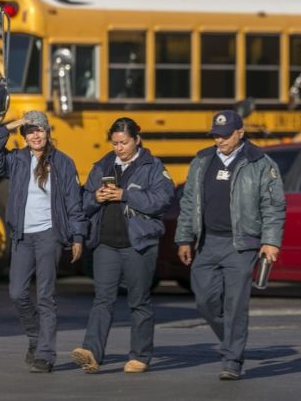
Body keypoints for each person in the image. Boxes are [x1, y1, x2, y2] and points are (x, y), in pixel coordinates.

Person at [175, 110, 286, 380]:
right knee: (205, 302)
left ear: (240, 133)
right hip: (207, 242)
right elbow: (189, 202)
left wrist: (271, 241)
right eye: (215, 134)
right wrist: (184, 237)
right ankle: (234, 339)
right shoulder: (202, 161)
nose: (219, 140)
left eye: (225, 135)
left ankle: (232, 359)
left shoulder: (260, 163)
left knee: (236, 305)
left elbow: (273, 206)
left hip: (241, 245)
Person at [0, 110, 86, 373]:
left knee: (46, 297)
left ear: (48, 132)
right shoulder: (16, 160)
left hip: (49, 235)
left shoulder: (63, 162)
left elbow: (75, 202)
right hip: (22, 236)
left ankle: (45, 355)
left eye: (39, 130)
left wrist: (78, 236)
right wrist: (12, 124)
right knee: (17, 293)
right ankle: (35, 337)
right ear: (24, 136)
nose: (35, 135)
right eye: (30, 131)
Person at [71, 117, 174, 374]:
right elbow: (82, 202)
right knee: (102, 299)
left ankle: (140, 355)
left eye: (124, 142)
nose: (119, 148)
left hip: (138, 245)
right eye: (115, 143)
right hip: (106, 244)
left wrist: (125, 195)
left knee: (138, 300)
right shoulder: (102, 165)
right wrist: (95, 197)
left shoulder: (152, 166)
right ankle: (92, 352)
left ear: (137, 139)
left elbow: (162, 200)